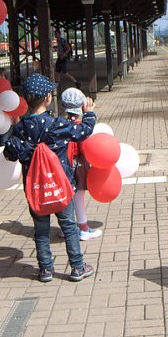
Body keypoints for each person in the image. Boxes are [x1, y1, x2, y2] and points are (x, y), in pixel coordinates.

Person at [3, 73, 96, 282]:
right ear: (47, 97)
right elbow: (83, 131)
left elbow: (9, 153)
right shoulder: (56, 125)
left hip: (36, 189)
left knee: (41, 230)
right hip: (61, 186)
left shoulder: (20, 129)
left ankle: (45, 269)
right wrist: (88, 113)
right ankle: (77, 267)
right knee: (69, 227)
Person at [61, 87, 103, 241]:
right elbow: (85, 148)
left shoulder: (60, 123)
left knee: (67, 198)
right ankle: (83, 228)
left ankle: (67, 228)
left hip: (62, 166)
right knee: (79, 197)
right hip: (77, 166)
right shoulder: (79, 127)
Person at [0, 67, 18, 148]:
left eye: (3, 76)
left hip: (6, 121)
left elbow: (14, 104)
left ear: (6, 78)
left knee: (3, 143)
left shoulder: (9, 90)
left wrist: (16, 117)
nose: (0, 78)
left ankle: (5, 158)